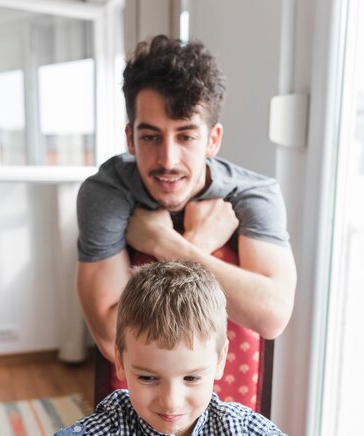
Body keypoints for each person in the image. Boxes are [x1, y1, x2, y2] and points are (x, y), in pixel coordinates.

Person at [76, 35, 297, 410]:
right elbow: (109, 334)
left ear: (212, 139)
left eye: (186, 135)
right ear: (130, 137)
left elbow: (272, 316)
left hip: (230, 407)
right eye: (150, 136)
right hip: (134, 410)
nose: (167, 159)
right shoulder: (106, 192)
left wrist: (170, 244)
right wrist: (201, 241)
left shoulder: (254, 193)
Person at [14, 261, 334, 436]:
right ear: (121, 362)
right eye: (149, 377)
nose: (171, 401)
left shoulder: (235, 428)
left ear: (220, 361)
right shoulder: (114, 424)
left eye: (192, 377)